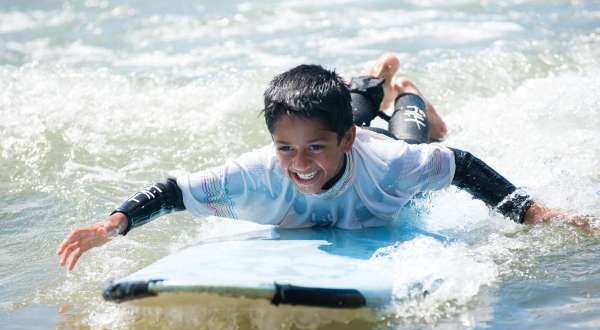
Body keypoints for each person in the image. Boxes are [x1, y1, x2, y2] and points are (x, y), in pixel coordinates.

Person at [57, 54, 595, 271]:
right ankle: (373, 79)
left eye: (315, 149)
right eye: (285, 149)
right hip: (345, 123)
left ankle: (404, 89)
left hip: (382, 139)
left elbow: (459, 163)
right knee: (328, 110)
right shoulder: (256, 171)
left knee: (413, 127)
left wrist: (532, 213)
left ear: (347, 143)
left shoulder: (392, 166)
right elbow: (173, 191)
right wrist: (114, 225)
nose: (300, 164)